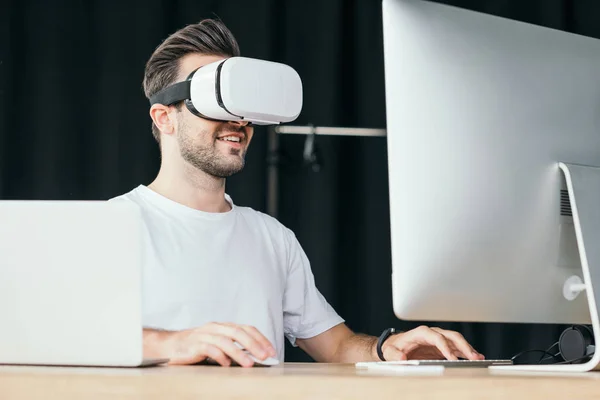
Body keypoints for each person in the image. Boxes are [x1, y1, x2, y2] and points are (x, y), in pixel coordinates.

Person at [110, 18, 485, 367]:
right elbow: (63, 337)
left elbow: (336, 346)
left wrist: (386, 348)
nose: (238, 120)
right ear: (164, 117)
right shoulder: (112, 225)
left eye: (241, 101)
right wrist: (172, 343)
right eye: (215, 99)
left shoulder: (272, 238)